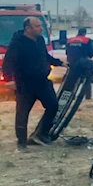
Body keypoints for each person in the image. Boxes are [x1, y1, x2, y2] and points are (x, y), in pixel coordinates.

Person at [1, 17, 65, 151]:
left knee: (53, 105)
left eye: (40, 26)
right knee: (22, 113)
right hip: (25, 84)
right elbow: (8, 62)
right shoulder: (17, 43)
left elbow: (45, 57)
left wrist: (59, 63)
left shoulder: (40, 40)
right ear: (28, 28)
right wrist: (9, 80)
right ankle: (22, 143)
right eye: (37, 26)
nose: (40, 28)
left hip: (42, 81)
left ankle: (40, 134)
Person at [65, 27, 93, 99]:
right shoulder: (86, 40)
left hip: (71, 63)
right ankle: (87, 98)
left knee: (72, 81)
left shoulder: (69, 40)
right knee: (86, 80)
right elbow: (91, 53)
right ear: (84, 33)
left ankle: (71, 97)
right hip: (83, 63)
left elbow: (67, 52)